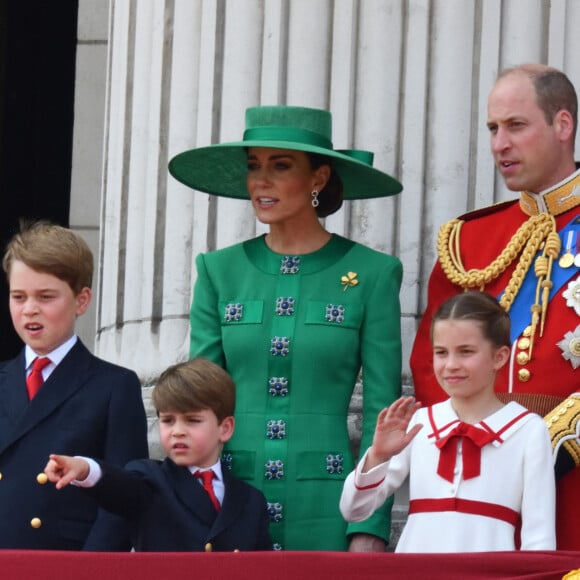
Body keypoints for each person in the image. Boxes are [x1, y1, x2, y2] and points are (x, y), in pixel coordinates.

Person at [168, 105, 403, 551]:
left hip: (329, 501)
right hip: (228, 499)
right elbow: (196, 401)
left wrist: (368, 526)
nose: (261, 180)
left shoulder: (372, 273)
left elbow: (382, 408)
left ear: (318, 178)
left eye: (280, 166)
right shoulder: (218, 271)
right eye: (254, 166)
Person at [410, 63, 580, 550]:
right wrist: (467, 439)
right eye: (492, 128)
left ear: (562, 125)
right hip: (473, 481)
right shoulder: (470, 240)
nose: (499, 144)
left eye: (516, 126)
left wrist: (559, 439)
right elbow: (430, 360)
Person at [341, 291, 556, 552]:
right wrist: (378, 456)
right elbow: (353, 509)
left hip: (490, 573)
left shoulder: (528, 429)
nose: (451, 364)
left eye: (466, 352)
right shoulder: (420, 422)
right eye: (441, 352)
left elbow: (540, 537)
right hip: (416, 571)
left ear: (499, 357)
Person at [0, 221, 148, 550]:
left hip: (63, 562)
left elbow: (126, 499)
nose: (29, 310)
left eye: (45, 296)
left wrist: (88, 570)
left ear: (81, 301)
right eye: (18, 296)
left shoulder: (114, 386)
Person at [44, 358, 272, 552]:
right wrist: (85, 469)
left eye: (192, 420)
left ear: (225, 428)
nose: (177, 431)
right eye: (167, 420)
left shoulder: (251, 501)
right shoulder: (149, 480)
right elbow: (120, 487)